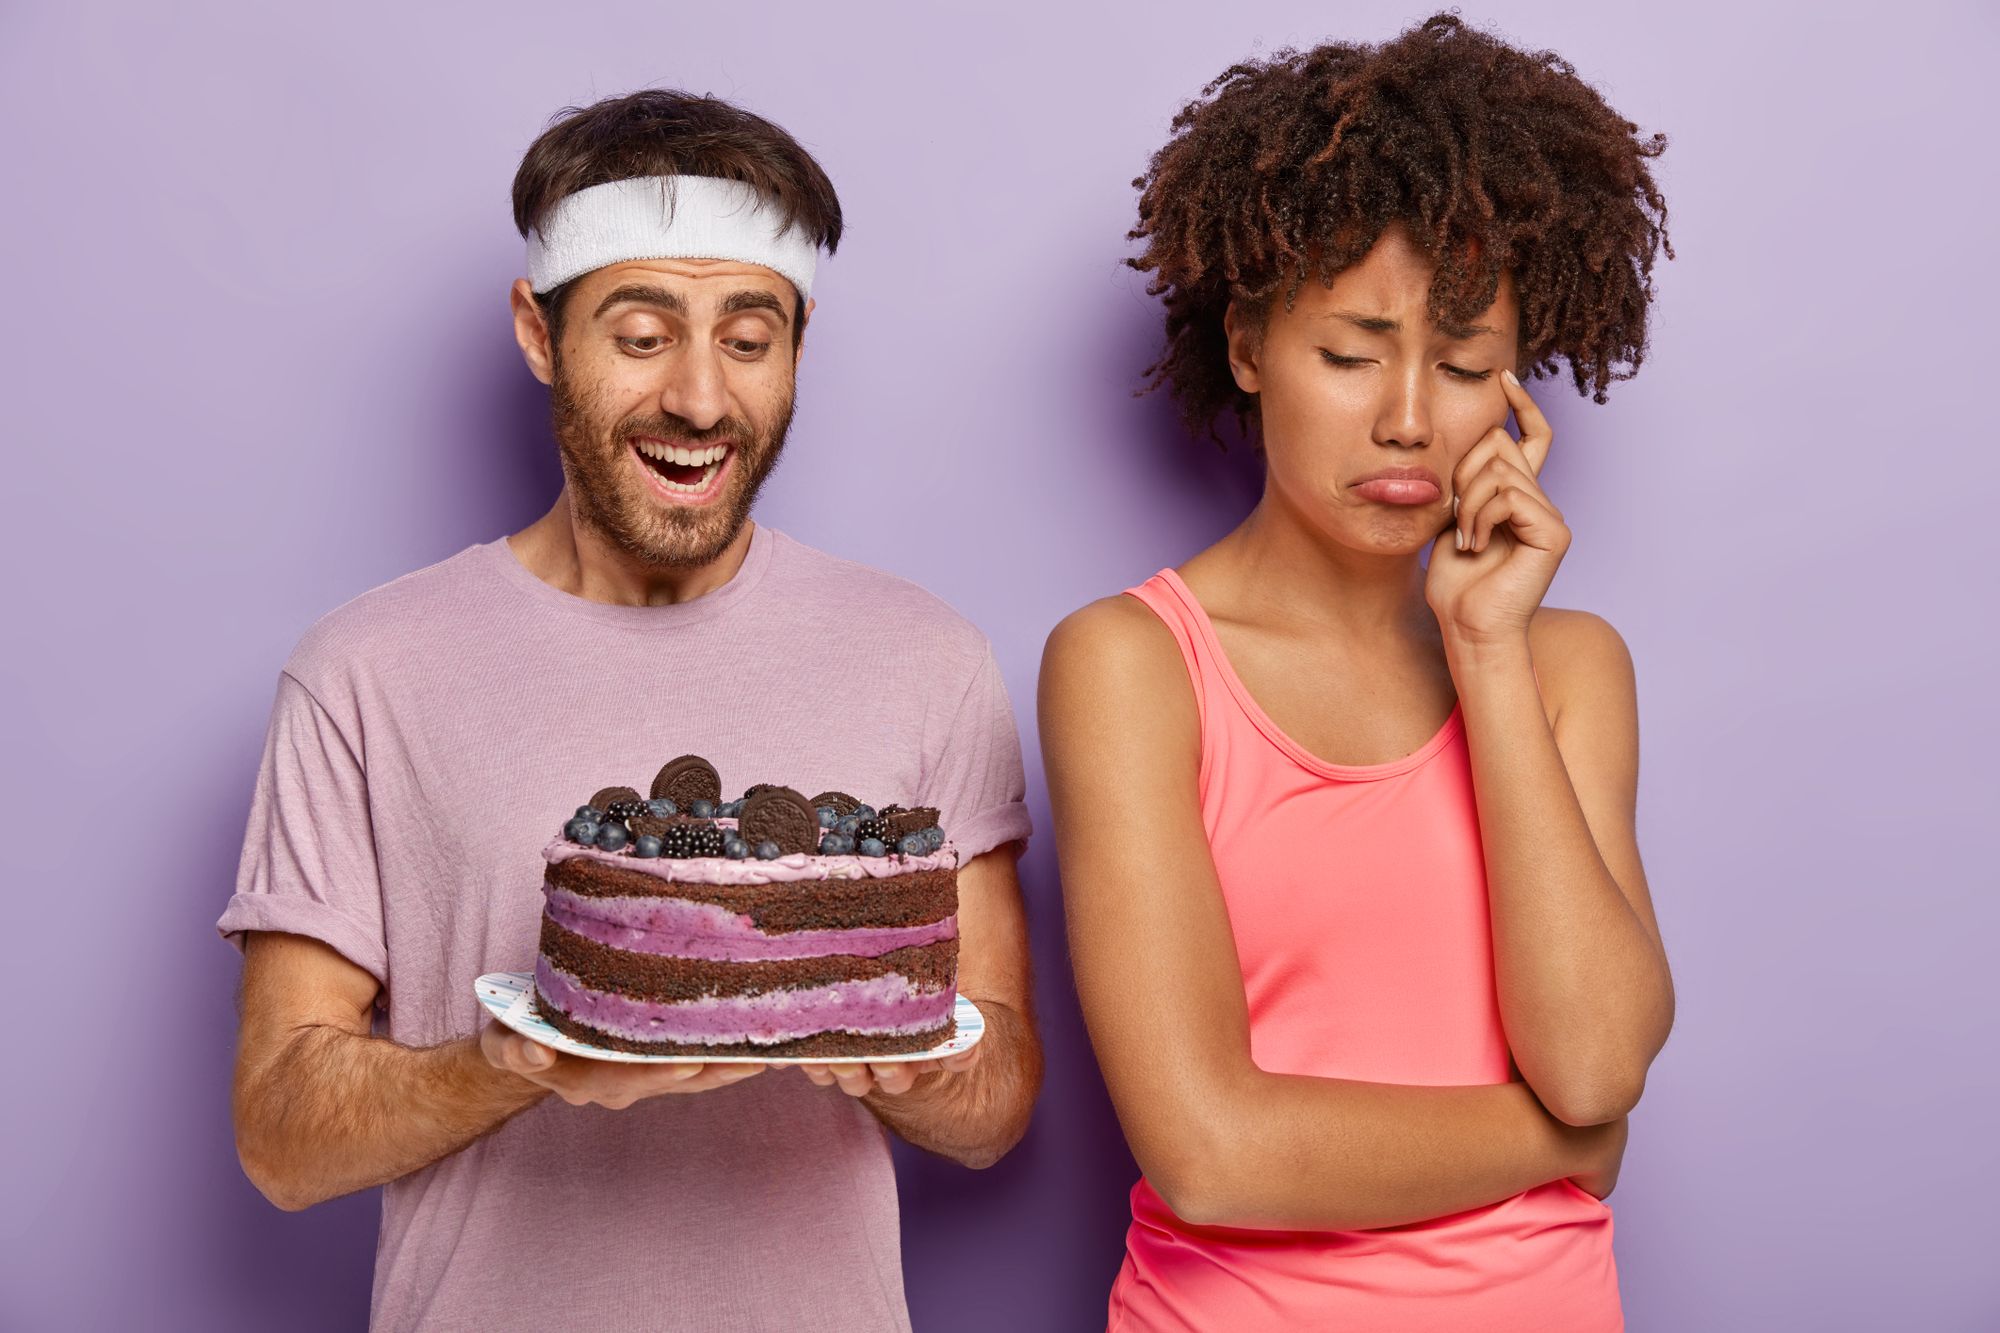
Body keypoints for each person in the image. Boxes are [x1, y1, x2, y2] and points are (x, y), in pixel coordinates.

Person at [220, 89, 1042, 1333]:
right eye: (643, 333)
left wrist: (885, 1040)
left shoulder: (926, 656)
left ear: (799, 344)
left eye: (748, 339)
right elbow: (281, 1135)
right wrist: (510, 1059)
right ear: (538, 332)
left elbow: (997, 1104)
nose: (700, 401)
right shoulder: (364, 668)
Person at [1039, 14, 1675, 1330]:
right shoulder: (1132, 665)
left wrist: (1486, 648)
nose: (1406, 418)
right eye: (1348, 353)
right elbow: (1212, 1152)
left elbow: (1598, 1056)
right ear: (1247, 347)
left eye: (1464, 366)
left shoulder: (1567, 665)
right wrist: (1553, 1146)